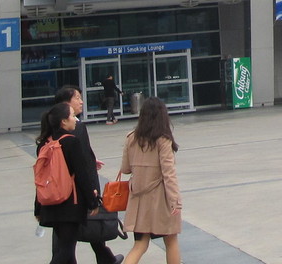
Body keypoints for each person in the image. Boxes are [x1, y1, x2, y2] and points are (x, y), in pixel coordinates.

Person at [56, 86, 124, 264]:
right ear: (66, 103)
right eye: (77, 98)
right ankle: (105, 259)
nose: (81, 101)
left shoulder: (50, 125)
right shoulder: (76, 126)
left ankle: (105, 258)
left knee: (66, 233)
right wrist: (93, 191)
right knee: (70, 236)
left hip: (59, 188)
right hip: (76, 189)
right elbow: (81, 162)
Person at [35, 102, 101, 264]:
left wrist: (38, 207)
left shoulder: (44, 144)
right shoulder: (72, 142)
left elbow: (40, 179)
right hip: (70, 204)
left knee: (67, 253)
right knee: (66, 249)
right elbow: (82, 175)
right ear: (63, 121)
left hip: (50, 203)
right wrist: (92, 202)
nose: (75, 120)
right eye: (72, 116)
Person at [120, 97, 182, 264]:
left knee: (140, 244)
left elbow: (125, 169)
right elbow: (169, 173)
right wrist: (175, 200)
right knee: (171, 241)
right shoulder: (163, 139)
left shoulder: (131, 137)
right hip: (160, 199)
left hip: (138, 200)